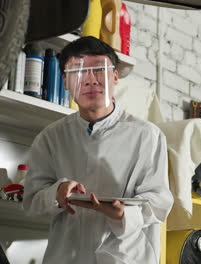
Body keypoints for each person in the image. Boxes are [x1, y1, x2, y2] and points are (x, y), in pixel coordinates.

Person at [23, 36, 173, 264]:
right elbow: (32, 202)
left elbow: (159, 202)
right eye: (78, 72)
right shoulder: (51, 137)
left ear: (115, 76)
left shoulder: (147, 136)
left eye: (98, 70)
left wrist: (123, 214)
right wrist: (57, 193)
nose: (90, 80)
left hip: (125, 257)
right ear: (65, 81)